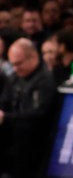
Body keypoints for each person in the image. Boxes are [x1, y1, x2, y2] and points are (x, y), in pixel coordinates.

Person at [0, 38, 58, 178]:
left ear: (33, 57)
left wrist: (6, 117)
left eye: (19, 63)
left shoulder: (44, 80)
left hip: (35, 140)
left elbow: (39, 113)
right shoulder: (15, 77)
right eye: (13, 64)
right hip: (13, 135)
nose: (15, 68)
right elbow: (5, 101)